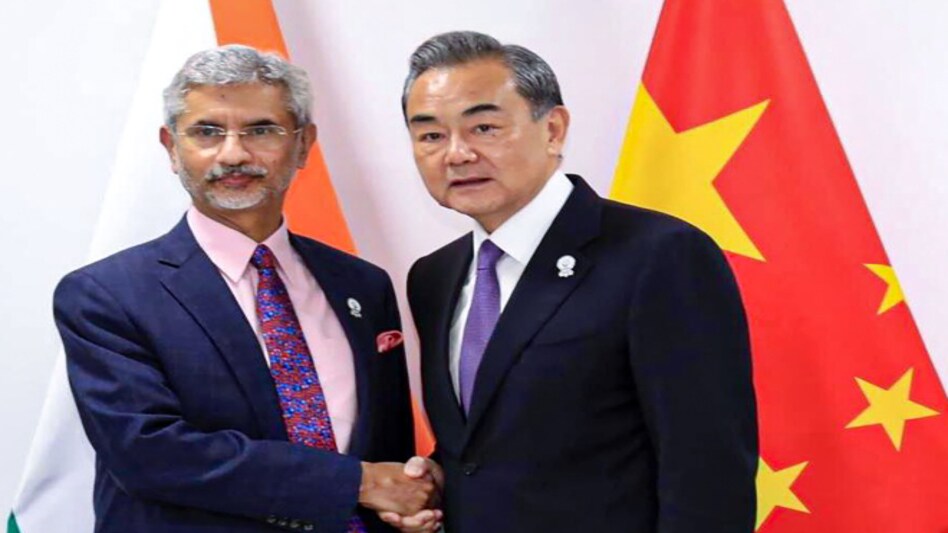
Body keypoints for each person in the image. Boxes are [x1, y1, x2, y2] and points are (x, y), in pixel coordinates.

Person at [54, 45, 436, 532]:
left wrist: (405, 503)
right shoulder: (106, 296)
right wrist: (356, 483)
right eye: (207, 132)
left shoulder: (362, 285)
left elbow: (388, 451)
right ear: (171, 147)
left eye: (261, 130)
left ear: (303, 144)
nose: (233, 154)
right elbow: (148, 454)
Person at [388, 31, 758, 532]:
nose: (457, 153)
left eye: (484, 127)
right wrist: (433, 482)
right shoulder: (433, 277)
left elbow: (708, 473)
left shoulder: (659, 255)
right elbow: (487, 448)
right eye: (431, 135)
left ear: (553, 129)